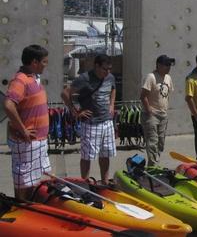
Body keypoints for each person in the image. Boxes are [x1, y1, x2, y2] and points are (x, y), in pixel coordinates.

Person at [3, 45, 51, 200]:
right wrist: (23, 130)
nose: (46, 65)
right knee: (24, 181)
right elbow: (8, 105)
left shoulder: (34, 78)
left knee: (33, 180)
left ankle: (29, 208)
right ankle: (21, 210)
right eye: (44, 62)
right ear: (34, 62)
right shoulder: (20, 80)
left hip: (38, 142)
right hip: (27, 142)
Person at [61, 54, 116, 183]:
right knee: (87, 156)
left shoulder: (110, 77)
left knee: (105, 154)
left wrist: (112, 104)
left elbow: (113, 89)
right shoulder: (84, 78)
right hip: (91, 124)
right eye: (104, 69)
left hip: (107, 121)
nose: (107, 72)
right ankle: (85, 182)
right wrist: (75, 112)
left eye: (109, 69)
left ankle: (105, 181)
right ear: (96, 66)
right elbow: (65, 93)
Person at [140, 55, 175, 166]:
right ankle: (153, 165)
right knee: (152, 142)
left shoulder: (168, 78)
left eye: (170, 65)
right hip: (151, 115)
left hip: (163, 115)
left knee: (161, 143)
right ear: (159, 65)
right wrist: (149, 110)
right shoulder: (151, 77)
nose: (169, 67)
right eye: (166, 65)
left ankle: (154, 162)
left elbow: (167, 94)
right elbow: (143, 96)